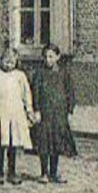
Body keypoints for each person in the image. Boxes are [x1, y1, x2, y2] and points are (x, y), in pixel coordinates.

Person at [0, 46, 35, 185]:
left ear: (16, 62)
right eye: (6, 61)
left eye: (12, 62)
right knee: (0, 143)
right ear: (1, 60)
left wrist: (29, 110)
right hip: (0, 113)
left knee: (13, 144)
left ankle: (12, 172)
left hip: (15, 114)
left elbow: (26, 94)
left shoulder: (20, 76)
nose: (8, 64)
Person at [29, 43, 77, 183]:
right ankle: (43, 173)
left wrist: (69, 110)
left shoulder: (64, 73)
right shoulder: (39, 73)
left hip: (59, 114)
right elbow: (35, 93)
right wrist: (36, 110)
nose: (48, 60)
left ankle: (53, 173)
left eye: (51, 56)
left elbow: (70, 92)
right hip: (45, 114)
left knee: (56, 143)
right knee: (44, 144)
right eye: (45, 57)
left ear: (57, 57)